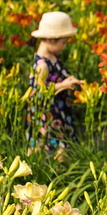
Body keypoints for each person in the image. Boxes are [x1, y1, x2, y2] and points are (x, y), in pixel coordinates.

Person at [28, 11, 84, 151]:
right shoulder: (43, 65)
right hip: (48, 111)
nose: (65, 46)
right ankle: (53, 168)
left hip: (58, 108)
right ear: (51, 40)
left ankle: (60, 167)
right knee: (55, 142)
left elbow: (58, 76)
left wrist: (70, 80)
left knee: (61, 141)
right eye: (63, 42)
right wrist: (64, 85)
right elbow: (39, 90)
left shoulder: (52, 56)